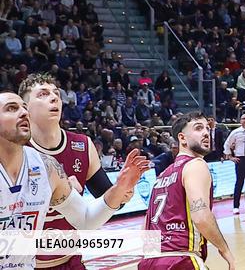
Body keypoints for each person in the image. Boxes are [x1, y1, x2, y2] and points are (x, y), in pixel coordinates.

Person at [0, 90, 148, 270]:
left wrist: (119, 189)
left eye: (24, 108)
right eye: (11, 108)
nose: (23, 113)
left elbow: (85, 219)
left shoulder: (47, 167)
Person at [21, 74, 122, 270]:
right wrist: (60, 191)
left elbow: (104, 202)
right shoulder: (15, 148)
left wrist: (122, 188)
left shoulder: (82, 145)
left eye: (56, 94)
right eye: (42, 94)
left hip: (71, 261)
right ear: (25, 109)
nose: (53, 98)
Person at [139, 112, 237, 270]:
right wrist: (224, 249)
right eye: (198, 128)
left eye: (207, 128)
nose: (206, 133)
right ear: (182, 138)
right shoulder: (195, 165)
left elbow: (146, 225)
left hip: (150, 260)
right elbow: (201, 216)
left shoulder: (162, 176)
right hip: (180, 259)